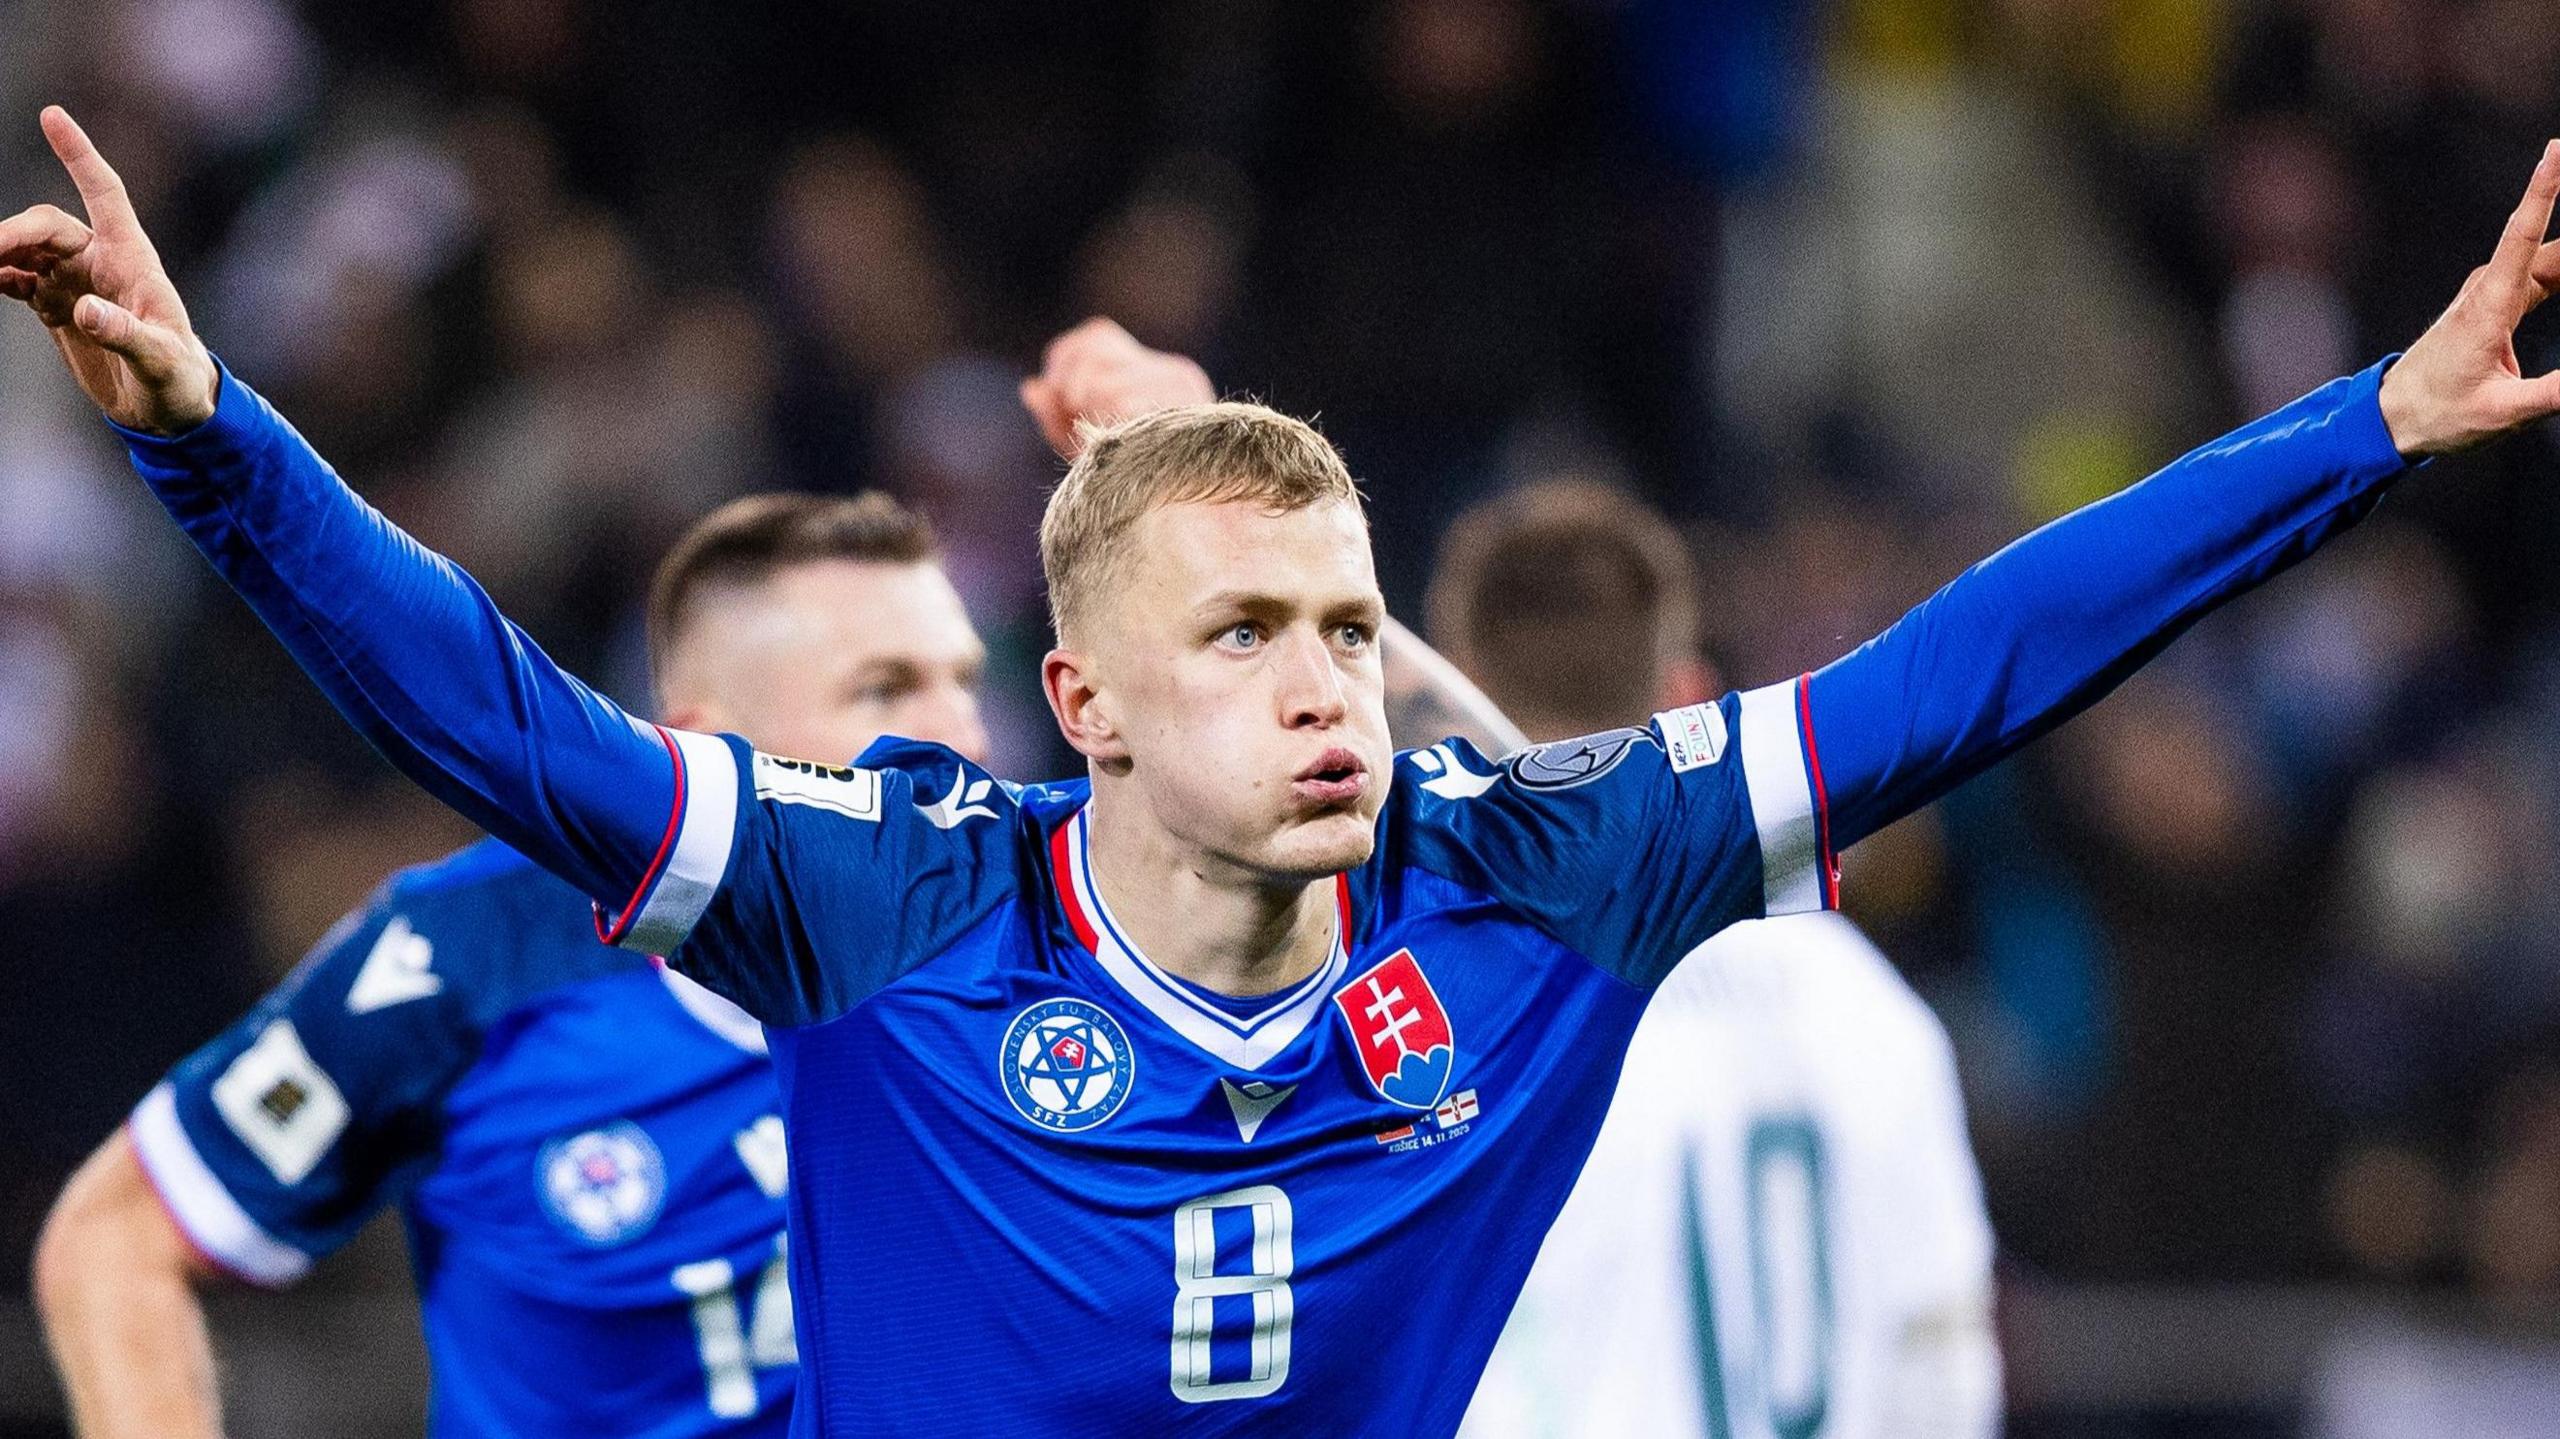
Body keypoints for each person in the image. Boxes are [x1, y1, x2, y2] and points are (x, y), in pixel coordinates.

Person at [11, 103, 2560, 1434]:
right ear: (1085, 706)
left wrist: (2372, 415)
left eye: (1349, 618)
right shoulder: (892, 902)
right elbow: (495, 709)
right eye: (1245, 631)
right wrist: (211, 431)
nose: (1330, 676)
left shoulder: (1541, 875)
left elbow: (1975, 659)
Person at [32, 490, 990, 1437]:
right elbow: (119, 1239)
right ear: (710, 753)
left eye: (967, 680)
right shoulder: (473, 953)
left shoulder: (1046, 942)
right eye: (884, 689)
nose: (965, 741)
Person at [1434, 482, 1998, 1439]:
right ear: (1690, 695)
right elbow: (1944, 1377)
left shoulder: (1436, 1015)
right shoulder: (1867, 1004)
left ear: (1450, 701)